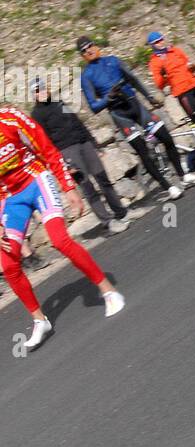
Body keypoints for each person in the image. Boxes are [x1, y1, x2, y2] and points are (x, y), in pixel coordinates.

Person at [1, 105, 124, 350]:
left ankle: (108, 290)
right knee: (7, 262)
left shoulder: (10, 117)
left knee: (59, 240)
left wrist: (68, 187)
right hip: (11, 197)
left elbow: (45, 146)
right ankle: (40, 320)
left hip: (36, 180)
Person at [77, 37, 195, 198]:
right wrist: (109, 97)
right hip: (120, 115)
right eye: (84, 50)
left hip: (135, 106)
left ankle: (183, 176)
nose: (89, 50)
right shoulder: (86, 76)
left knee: (166, 138)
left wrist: (149, 97)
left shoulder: (113, 60)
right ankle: (168, 187)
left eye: (90, 46)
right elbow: (94, 107)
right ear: (82, 56)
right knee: (143, 152)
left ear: (96, 45)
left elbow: (133, 79)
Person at [30, 76, 133, 234]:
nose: (42, 92)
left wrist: (94, 143)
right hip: (67, 151)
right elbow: (45, 142)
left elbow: (77, 121)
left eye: (43, 88)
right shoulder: (36, 115)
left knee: (103, 178)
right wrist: (65, 163)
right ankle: (108, 222)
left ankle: (121, 213)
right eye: (37, 91)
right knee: (88, 187)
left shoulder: (59, 103)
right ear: (33, 95)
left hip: (84, 143)